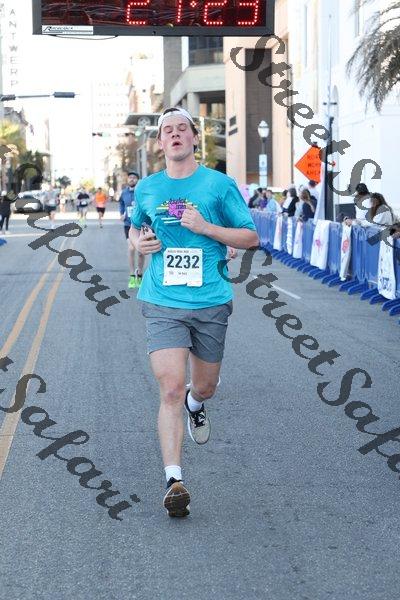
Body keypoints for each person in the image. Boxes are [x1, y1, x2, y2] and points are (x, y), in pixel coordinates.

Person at [129, 106, 259, 518]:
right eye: (167, 130)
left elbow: (250, 237)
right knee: (169, 387)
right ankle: (174, 480)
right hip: (162, 300)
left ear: (194, 137)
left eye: (182, 128)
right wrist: (139, 243)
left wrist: (206, 228)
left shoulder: (219, 185)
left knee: (204, 387)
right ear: (160, 142)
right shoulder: (148, 187)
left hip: (210, 300)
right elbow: (135, 227)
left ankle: (196, 403)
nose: (174, 134)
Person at [119, 171, 145, 289]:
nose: (132, 179)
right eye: (130, 177)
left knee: (141, 252)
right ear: (127, 179)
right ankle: (132, 276)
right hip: (128, 224)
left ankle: (139, 274)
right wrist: (121, 213)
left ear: (138, 180)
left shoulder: (141, 192)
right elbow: (121, 203)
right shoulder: (124, 193)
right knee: (131, 248)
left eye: (134, 177)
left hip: (141, 225)